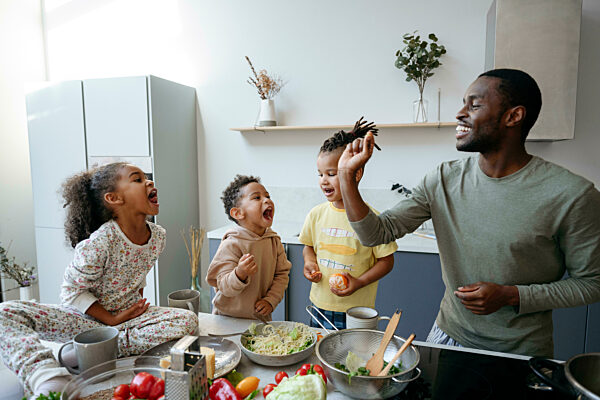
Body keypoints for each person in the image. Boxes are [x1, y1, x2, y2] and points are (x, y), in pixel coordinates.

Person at [337, 69, 600, 357]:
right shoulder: (443, 179)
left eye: (474, 105)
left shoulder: (572, 195)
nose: (460, 113)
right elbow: (375, 234)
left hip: (520, 352)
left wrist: (512, 295)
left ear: (514, 116)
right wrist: (346, 177)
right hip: (446, 335)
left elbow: (592, 283)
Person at [0, 162, 198, 398]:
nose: (149, 182)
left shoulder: (158, 237)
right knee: (5, 312)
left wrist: (134, 312)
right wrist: (111, 320)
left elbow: (139, 276)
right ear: (114, 198)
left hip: (126, 321)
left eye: (147, 178)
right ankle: (47, 374)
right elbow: (72, 292)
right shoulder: (100, 242)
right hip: (85, 321)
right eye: (137, 179)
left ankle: (87, 353)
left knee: (187, 319)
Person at [299, 119, 397, 330]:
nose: (324, 180)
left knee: (353, 358)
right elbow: (308, 247)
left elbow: (387, 262)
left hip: (357, 310)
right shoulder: (316, 215)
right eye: (320, 174)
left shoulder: (372, 220)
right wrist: (309, 263)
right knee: (320, 355)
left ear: (356, 173)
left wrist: (360, 282)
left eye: (332, 174)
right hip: (319, 305)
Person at [206, 175, 291, 320]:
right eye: (257, 198)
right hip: (227, 320)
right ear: (238, 213)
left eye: (267, 196)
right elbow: (223, 286)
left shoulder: (274, 241)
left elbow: (282, 276)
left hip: (259, 320)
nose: (267, 200)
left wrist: (271, 300)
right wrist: (240, 273)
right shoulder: (231, 243)